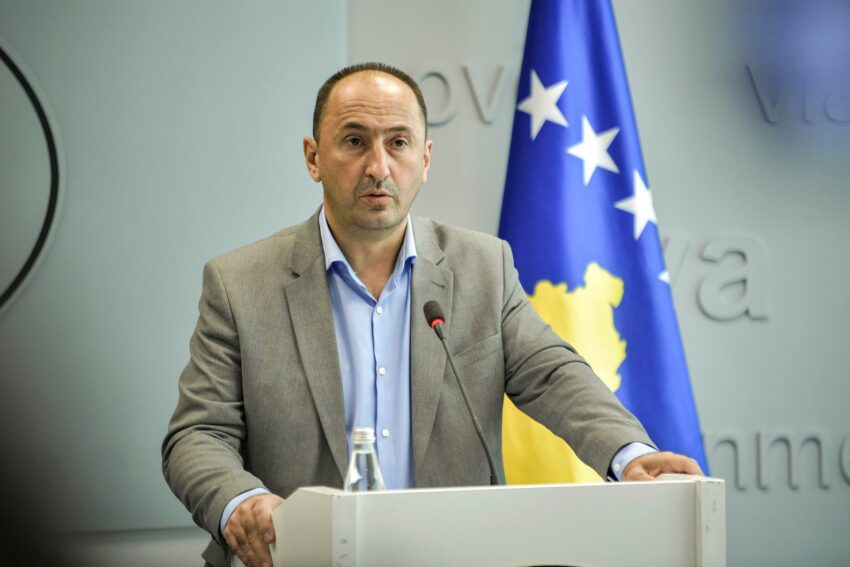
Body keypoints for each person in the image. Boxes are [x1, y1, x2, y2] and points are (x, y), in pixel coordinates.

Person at [162, 62, 702, 567]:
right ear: (313, 157)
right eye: (354, 141)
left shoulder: (483, 267)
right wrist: (241, 503)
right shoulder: (240, 284)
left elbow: (552, 375)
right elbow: (197, 435)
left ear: (424, 159)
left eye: (398, 143)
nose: (378, 167)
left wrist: (628, 454)